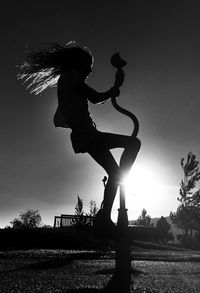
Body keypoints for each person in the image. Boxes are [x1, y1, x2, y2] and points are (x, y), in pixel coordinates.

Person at [18, 41, 141, 233]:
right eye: (89, 66)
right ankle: (107, 209)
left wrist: (113, 88)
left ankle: (104, 216)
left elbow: (67, 113)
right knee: (134, 143)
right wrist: (112, 90)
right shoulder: (72, 77)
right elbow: (95, 97)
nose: (90, 71)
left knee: (114, 172)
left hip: (86, 136)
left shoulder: (67, 80)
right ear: (79, 64)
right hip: (88, 135)